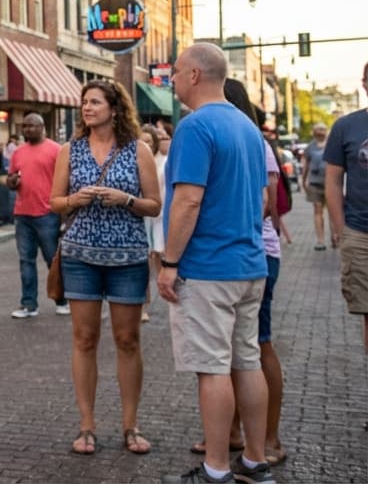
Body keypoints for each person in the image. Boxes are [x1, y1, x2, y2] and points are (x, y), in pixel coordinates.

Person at [158, 44, 272, 484]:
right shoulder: (247, 126)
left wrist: (169, 262)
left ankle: (217, 468)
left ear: (193, 75)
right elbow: (262, 200)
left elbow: (188, 200)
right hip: (249, 264)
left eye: (175, 72)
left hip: (207, 267)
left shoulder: (195, 126)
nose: (171, 80)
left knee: (213, 367)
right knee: (247, 361)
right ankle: (256, 462)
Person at [50, 80, 162, 457]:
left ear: (114, 109)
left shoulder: (138, 150)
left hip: (127, 257)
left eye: (95, 102)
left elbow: (154, 205)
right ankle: (87, 426)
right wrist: (74, 199)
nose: (87, 107)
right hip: (79, 256)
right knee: (84, 339)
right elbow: (54, 202)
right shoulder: (70, 149)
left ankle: (131, 426)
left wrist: (125, 198)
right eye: (84, 102)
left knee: (128, 340)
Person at [191, 79, 287, 468]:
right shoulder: (247, 137)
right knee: (236, 354)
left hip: (245, 253)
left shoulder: (244, 139)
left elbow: (268, 201)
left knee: (253, 350)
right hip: (245, 254)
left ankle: (266, 440)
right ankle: (235, 438)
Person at [324, 60, 368, 355]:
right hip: (360, 233)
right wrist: (341, 230)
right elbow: (333, 180)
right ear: (364, 83)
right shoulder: (346, 126)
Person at [7, 113, 69, 319]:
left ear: (42, 127)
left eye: (31, 126)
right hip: (22, 214)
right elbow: (10, 180)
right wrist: (13, 181)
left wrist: (63, 216)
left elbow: (65, 182)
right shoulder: (18, 153)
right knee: (26, 260)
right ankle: (28, 304)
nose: (27, 129)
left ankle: (61, 299)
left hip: (47, 214)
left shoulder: (56, 150)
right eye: (24, 126)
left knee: (52, 260)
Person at [138, 124, 167, 323]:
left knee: (163, 263)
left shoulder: (166, 163)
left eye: (150, 142)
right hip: (141, 218)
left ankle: (172, 299)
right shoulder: (134, 161)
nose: (147, 145)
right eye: (143, 142)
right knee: (143, 267)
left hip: (162, 218)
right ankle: (142, 307)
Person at [302, 122, 330, 249]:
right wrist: (303, 181)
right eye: (317, 129)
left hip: (331, 183)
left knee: (333, 211)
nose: (320, 132)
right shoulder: (310, 147)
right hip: (314, 183)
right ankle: (321, 240)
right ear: (313, 132)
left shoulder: (332, 145)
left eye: (322, 129)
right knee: (318, 210)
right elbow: (305, 165)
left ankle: (335, 237)